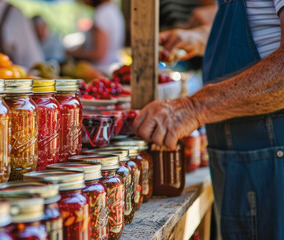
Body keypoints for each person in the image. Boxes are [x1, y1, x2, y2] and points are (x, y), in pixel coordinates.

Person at [134, 0, 284, 238]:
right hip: (245, 161)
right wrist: (202, 37)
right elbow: (263, 28)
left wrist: (194, 108)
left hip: (272, 162)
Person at [67, 0, 125, 73]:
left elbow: (98, 54)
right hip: (110, 67)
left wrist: (70, 53)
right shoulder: (112, 9)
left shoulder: (102, 13)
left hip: (101, 70)